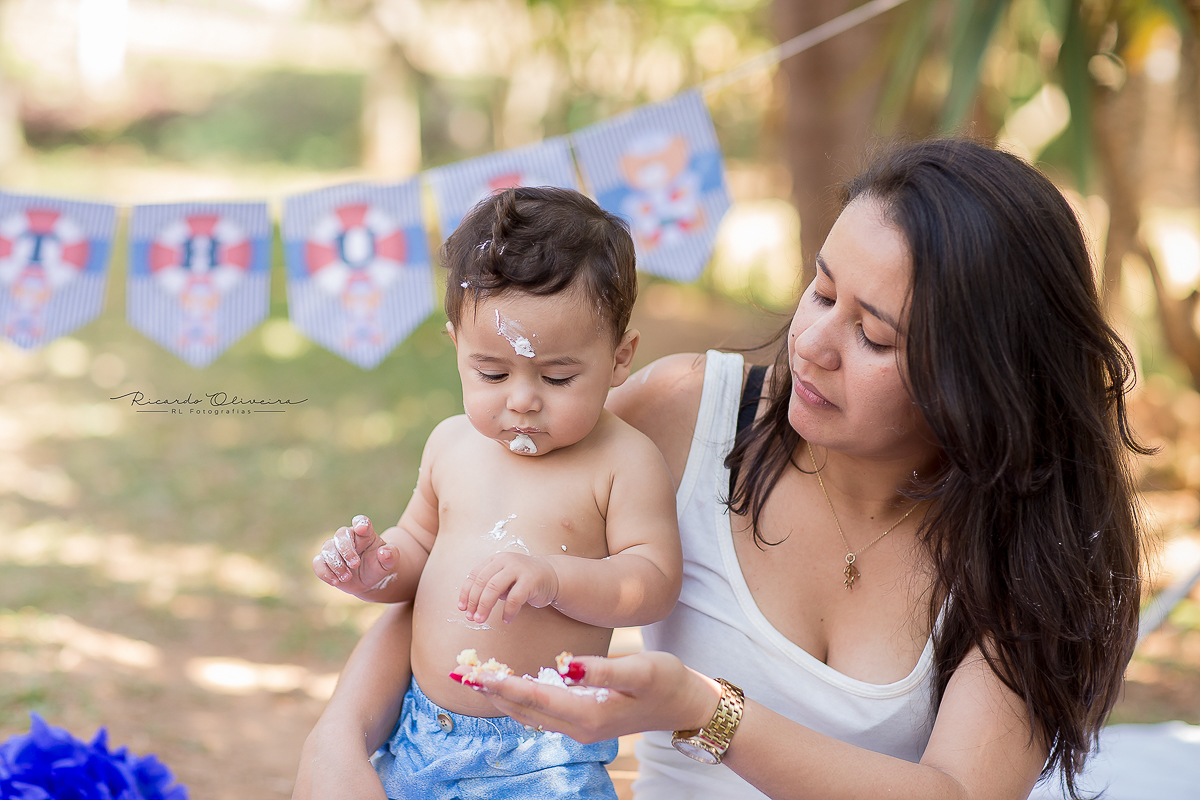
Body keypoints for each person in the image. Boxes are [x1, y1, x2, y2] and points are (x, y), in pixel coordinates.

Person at [294, 138, 1145, 800]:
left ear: (979, 375)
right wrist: (339, 735)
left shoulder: (1033, 554)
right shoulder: (689, 417)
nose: (810, 344)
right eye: (820, 291)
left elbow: (957, 793)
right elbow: (468, 560)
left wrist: (705, 710)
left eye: (874, 336)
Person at [305, 186, 683, 800]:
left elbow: (653, 582)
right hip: (422, 735)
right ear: (457, 346)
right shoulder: (452, 445)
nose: (522, 398)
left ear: (620, 358)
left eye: (558, 375)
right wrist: (377, 569)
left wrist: (555, 578)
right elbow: (419, 548)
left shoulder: (623, 462)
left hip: (541, 755)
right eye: (493, 373)